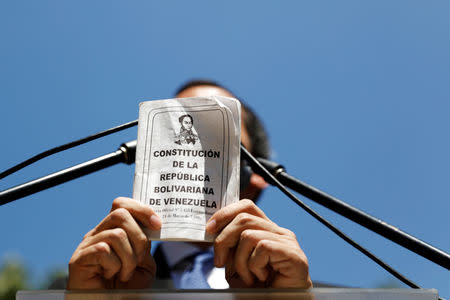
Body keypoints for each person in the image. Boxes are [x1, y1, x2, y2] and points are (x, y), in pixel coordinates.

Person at [66, 80, 312, 290]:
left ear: (256, 177)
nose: (191, 153)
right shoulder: (84, 284)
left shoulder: (306, 291)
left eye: (215, 137)